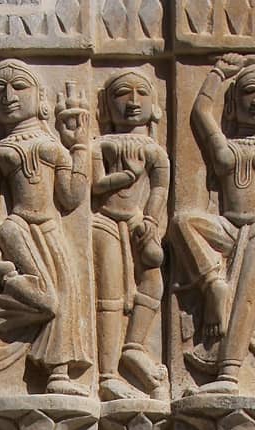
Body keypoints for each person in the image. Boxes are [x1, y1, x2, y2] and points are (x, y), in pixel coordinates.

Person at [0, 59, 91, 394]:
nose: (8, 96)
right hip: (16, 227)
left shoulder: (53, 146)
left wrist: (79, 145)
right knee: (50, 300)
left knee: (67, 296)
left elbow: (71, 197)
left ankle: (59, 374)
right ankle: (7, 278)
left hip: (52, 226)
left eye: (18, 86)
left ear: (40, 97)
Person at [172, 53, 255, 393]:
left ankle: (228, 375)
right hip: (227, 226)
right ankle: (213, 284)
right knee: (182, 222)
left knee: (247, 301)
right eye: (251, 91)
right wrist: (218, 73)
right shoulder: (227, 143)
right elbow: (200, 113)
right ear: (235, 104)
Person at [90, 68, 169, 400]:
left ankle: (133, 346)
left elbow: (160, 187)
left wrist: (151, 220)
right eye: (123, 93)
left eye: (141, 93)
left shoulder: (154, 150)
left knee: (154, 279)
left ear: (155, 106)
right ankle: (107, 374)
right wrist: (125, 176)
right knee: (108, 296)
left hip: (137, 221)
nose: (133, 102)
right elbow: (95, 186)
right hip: (104, 221)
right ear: (107, 107)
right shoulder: (100, 145)